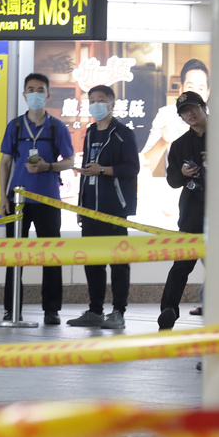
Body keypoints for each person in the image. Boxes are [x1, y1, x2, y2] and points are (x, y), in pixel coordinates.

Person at [0, 72, 75, 325]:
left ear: (47, 95)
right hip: (17, 201)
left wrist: (48, 167)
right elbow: (5, 162)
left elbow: (71, 161)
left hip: (48, 200)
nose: (35, 94)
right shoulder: (16, 126)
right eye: (31, 90)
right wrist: (2, 196)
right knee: (14, 257)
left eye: (40, 90)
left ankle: (51, 310)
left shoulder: (57, 127)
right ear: (24, 95)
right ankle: (12, 309)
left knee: (50, 256)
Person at [66, 84, 141, 330]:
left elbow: (132, 169)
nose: (96, 105)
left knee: (118, 261)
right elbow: (89, 170)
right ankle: (95, 311)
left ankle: (118, 312)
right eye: (92, 100)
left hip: (114, 209)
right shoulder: (89, 133)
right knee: (93, 261)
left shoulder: (123, 133)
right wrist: (81, 206)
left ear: (111, 104)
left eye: (101, 100)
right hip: (90, 210)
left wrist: (103, 170)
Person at [157, 91, 208, 331]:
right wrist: (184, 174)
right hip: (192, 213)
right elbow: (172, 181)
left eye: (193, 108)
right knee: (181, 266)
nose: (190, 114)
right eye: (184, 111)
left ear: (203, 106)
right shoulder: (179, 145)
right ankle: (168, 311)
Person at [139, 58, 210, 179]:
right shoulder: (166, 114)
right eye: (190, 87)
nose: (195, 94)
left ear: (208, 93)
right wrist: (163, 142)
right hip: (176, 189)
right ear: (181, 90)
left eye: (201, 89)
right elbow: (145, 168)